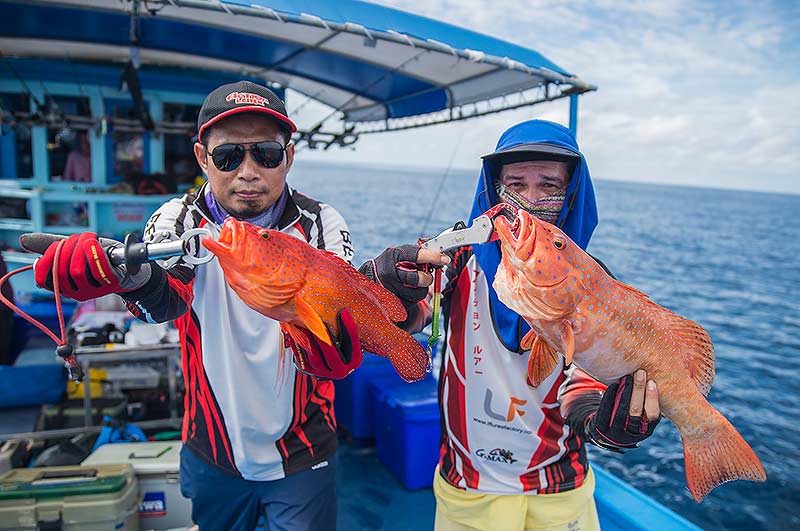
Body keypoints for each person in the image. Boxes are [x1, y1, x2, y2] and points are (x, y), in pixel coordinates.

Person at [32, 80, 362, 531]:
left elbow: (339, 318)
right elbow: (162, 300)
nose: (248, 171)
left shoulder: (321, 223)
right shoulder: (178, 220)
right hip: (210, 448)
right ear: (202, 157)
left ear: (289, 156)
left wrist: (348, 331)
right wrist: (124, 277)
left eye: (266, 152)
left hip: (304, 449)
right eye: (228, 156)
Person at [362, 120, 662, 531]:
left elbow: (585, 384)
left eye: (550, 185)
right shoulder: (459, 255)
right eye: (516, 185)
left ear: (572, 192)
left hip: (559, 493)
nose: (530, 201)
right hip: (467, 488)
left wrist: (606, 425)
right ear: (494, 188)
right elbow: (413, 315)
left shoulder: (592, 286)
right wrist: (385, 287)